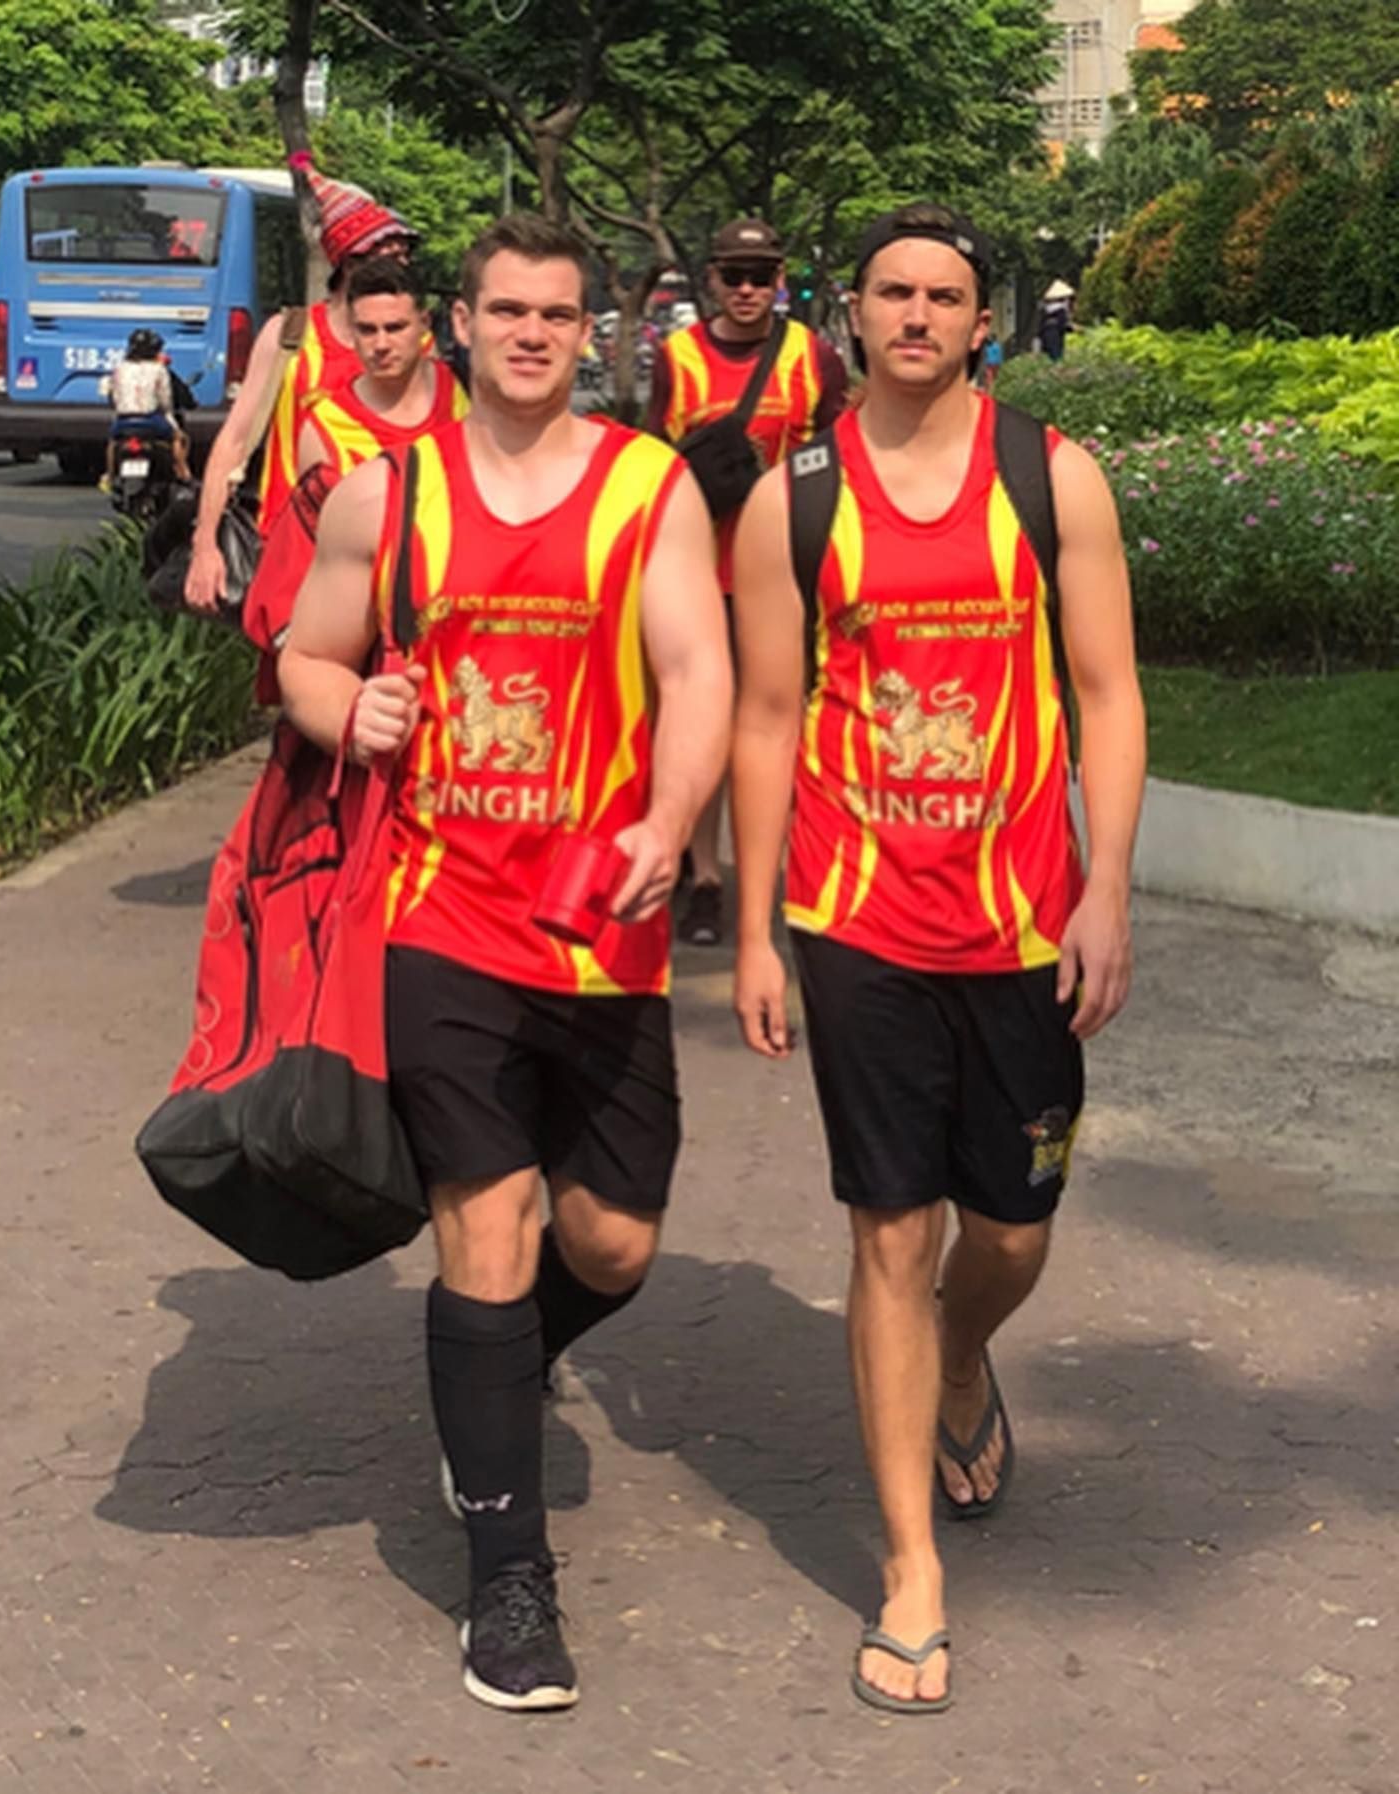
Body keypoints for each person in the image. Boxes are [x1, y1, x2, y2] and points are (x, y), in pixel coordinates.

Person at [278, 214, 732, 1712]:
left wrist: (673, 820)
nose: (531, 332)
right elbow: (304, 648)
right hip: (439, 916)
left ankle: (491, 1361)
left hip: (604, 926)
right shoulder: (385, 493)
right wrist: (348, 712)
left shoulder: (647, 485)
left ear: (589, 329)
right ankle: (508, 1584)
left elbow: (693, 674)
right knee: (484, 1222)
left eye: (558, 312)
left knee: (609, 1243)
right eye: (507, 310)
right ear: (460, 325)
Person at [729, 201, 1145, 1713]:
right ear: (854, 312)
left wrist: (1108, 884)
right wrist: (762, 925)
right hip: (862, 924)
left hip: (1027, 920)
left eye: (945, 294)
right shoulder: (793, 499)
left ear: (984, 320)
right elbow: (766, 719)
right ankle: (912, 1566)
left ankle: (968, 1351)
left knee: (1012, 1234)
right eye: (893, 291)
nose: (917, 314)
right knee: (891, 1236)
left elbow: (1106, 691)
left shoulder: (1053, 477)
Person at [646, 217, 848, 946]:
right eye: (733, 274)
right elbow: (652, 465)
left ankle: (792, 877)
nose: (746, 289)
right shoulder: (678, 359)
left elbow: (840, 459)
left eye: (760, 276)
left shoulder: (811, 358)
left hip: (785, 580)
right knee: (700, 727)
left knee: (781, 731)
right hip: (697, 574)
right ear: (711, 280)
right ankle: (704, 878)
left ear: (780, 280)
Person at [183, 153, 418, 613]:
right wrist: (206, 545)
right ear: (346, 262)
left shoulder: (417, 343)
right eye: (383, 255)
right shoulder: (291, 336)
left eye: (404, 254)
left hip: (396, 555)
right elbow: (234, 440)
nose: (400, 265)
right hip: (296, 553)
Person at [243, 256, 469, 688]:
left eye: (395, 328)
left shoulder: (460, 395)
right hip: (365, 657)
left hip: (456, 634)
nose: (381, 344)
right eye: (367, 330)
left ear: (423, 323)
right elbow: (314, 560)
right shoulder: (324, 428)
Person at [98, 328, 193, 492]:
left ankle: (109, 475)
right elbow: (165, 401)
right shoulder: (159, 370)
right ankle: (182, 471)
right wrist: (172, 422)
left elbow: (114, 397)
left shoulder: (120, 368)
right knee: (179, 438)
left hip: (124, 421)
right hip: (151, 421)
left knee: (113, 443)